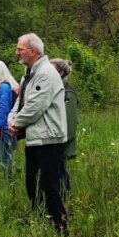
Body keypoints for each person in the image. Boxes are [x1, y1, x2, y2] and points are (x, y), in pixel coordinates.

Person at [7, 33, 68, 235]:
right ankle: (39, 219)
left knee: (49, 186)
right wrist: (12, 118)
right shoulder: (29, 73)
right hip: (36, 138)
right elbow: (21, 100)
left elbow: (36, 106)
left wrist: (18, 123)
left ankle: (61, 229)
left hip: (49, 139)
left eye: (20, 48)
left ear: (32, 51)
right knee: (31, 182)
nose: (17, 52)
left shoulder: (46, 73)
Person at [0, 60, 20, 175]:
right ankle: (7, 179)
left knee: (4, 157)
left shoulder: (4, 87)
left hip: (2, 128)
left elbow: (4, 109)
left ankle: (9, 182)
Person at [50, 58, 78, 194]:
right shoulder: (55, 90)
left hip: (60, 143)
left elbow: (70, 124)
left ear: (60, 73)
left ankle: (64, 203)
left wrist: (60, 142)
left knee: (59, 173)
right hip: (51, 141)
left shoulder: (67, 93)